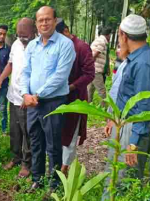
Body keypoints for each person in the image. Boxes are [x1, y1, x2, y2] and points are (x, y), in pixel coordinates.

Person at [102, 14, 150, 200]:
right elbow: (126, 94)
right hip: (126, 123)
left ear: (123, 35)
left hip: (135, 127)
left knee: (123, 180)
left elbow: (144, 106)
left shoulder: (144, 63)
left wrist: (133, 142)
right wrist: (114, 119)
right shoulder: (138, 57)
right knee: (115, 173)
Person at [20, 6, 76, 191]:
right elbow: (25, 72)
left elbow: (60, 76)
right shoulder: (32, 46)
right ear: (36, 23)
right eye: (40, 20)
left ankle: (54, 183)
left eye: (47, 19)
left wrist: (37, 95)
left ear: (55, 21)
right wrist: (25, 94)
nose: (44, 23)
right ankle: (38, 179)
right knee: (35, 142)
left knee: (53, 144)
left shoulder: (65, 45)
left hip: (53, 102)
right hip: (33, 104)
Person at [0, 18, 36, 178]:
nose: (22, 38)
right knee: (14, 130)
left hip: (28, 98)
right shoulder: (17, 45)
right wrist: (1, 78)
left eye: (25, 35)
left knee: (27, 132)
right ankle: (16, 157)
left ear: (33, 31)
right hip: (14, 95)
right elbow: (11, 64)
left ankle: (27, 164)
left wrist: (28, 96)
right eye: (19, 35)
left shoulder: (38, 45)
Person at [55, 19, 95, 175]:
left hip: (75, 97)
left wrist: (70, 87)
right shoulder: (57, 46)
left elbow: (89, 74)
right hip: (57, 97)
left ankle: (66, 166)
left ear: (66, 31)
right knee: (58, 130)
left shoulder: (82, 47)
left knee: (70, 132)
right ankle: (58, 162)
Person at [87, 27, 111, 106]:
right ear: (108, 35)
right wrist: (90, 64)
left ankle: (87, 104)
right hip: (96, 70)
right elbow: (95, 54)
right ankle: (103, 108)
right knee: (102, 91)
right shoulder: (102, 41)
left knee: (90, 88)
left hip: (92, 69)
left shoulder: (99, 40)